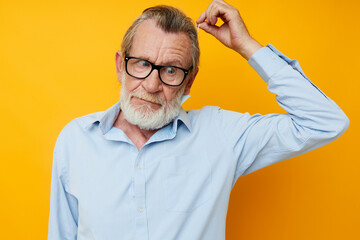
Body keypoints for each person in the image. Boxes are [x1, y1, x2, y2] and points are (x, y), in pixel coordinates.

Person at [48, 0, 349, 239]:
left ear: (189, 82)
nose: (152, 86)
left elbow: (325, 121)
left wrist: (247, 46)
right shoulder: (75, 141)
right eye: (141, 64)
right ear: (119, 66)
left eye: (170, 70)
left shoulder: (222, 135)